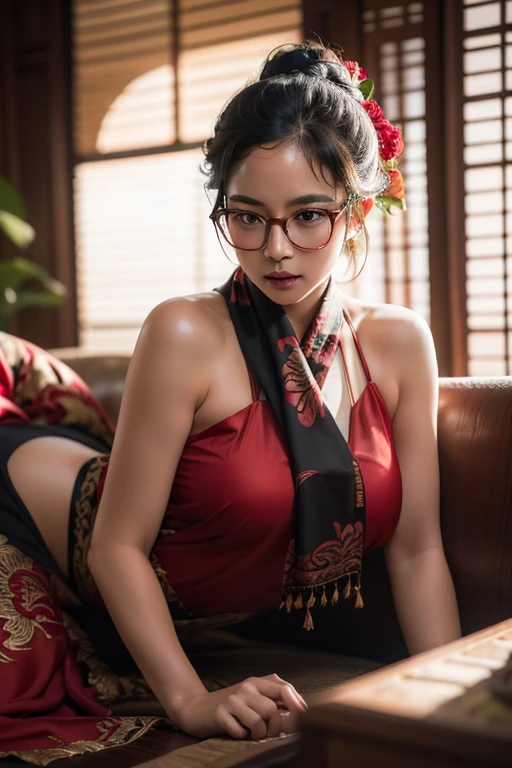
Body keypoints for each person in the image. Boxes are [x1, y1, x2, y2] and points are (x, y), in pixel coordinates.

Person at [0, 40, 461, 764]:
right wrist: (192, 701)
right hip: (35, 510)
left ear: (357, 210)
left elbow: (417, 547)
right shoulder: (184, 330)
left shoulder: (401, 343)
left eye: (308, 216)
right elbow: (116, 547)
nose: (276, 248)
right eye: (247, 217)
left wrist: (450, 706)